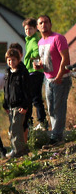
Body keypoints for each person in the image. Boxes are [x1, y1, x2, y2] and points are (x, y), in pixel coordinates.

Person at [34, 14, 72, 145]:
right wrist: (39, 65)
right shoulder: (40, 42)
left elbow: (65, 59)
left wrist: (60, 76)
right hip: (48, 79)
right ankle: (56, 133)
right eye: (41, 23)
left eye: (46, 22)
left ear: (50, 24)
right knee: (50, 109)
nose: (43, 24)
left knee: (59, 107)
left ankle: (57, 136)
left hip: (61, 78)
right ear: (37, 27)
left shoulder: (58, 38)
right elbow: (45, 59)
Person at [3, 48, 31, 158]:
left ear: (19, 60)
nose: (11, 62)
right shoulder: (8, 73)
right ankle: (21, 149)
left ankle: (17, 150)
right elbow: (6, 90)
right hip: (11, 106)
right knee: (13, 129)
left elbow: (27, 91)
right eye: (9, 60)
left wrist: (25, 106)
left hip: (20, 106)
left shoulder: (22, 73)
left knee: (16, 128)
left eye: (13, 60)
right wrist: (5, 104)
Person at [23, 18, 47, 129]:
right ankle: (35, 122)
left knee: (34, 98)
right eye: (26, 29)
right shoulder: (29, 40)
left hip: (34, 72)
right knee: (33, 97)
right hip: (32, 72)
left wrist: (33, 61)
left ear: (35, 29)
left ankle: (41, 122)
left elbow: (37, 53)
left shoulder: (34, 40)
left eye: (30, 29)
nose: (28, 31)